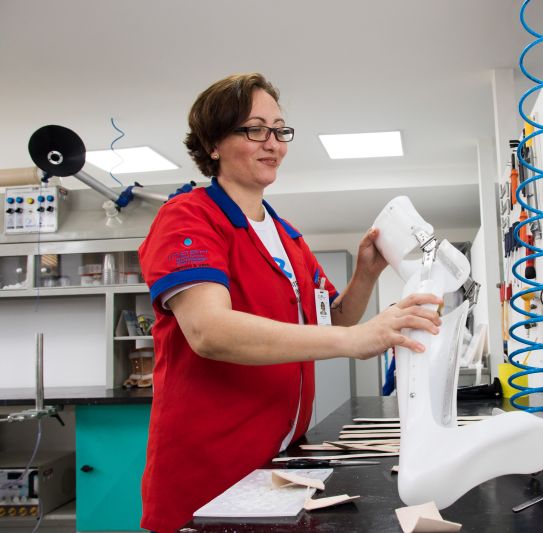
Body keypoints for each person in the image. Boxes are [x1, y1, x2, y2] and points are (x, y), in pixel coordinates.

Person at [137, 72, 442, 532]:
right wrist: (356, 340)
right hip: (211, 462)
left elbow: (333, 321)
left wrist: (365, 276)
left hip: (279, 455)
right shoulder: (189, 218)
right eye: (254, 129)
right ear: (213, 143)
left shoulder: (287, 237)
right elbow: (208, 332)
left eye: (280, 130)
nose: (272, 143)